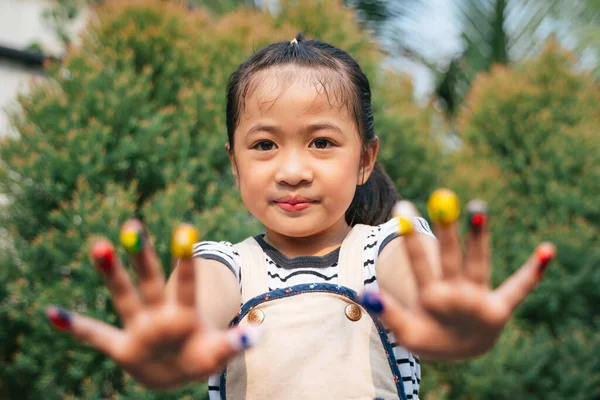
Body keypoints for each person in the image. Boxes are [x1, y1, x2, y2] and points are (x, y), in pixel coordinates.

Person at [47, 33, 556, 399]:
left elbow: (414, 273)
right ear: (234, 162)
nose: (292, 171)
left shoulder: (387, 248)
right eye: (264, 144)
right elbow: (198, 301)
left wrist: (443, 313)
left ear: (365, 159)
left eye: (322, 142)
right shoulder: (223, 264)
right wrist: (169, 344)